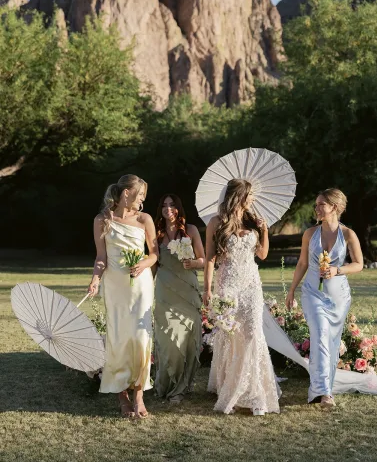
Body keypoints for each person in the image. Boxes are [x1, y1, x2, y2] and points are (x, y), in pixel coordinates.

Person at [204, 178, 280, 416]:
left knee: (252, 333)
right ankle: (230, 386)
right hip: (227, 284)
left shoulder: (253, 221)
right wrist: (207, 289)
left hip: (251, 286)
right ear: (239, 196)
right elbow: (209, 258)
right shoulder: (216, 223)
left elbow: (263, 254)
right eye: (250, 195)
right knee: (232, 336)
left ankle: (253, 390)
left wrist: (265, 230)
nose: (253, 199)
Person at [88, 174, 158, 419]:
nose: (142, 201)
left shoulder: (144, 219)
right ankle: (122, 396)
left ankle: (139, 394)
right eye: (140, 195)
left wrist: (143, 265)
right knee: (118, 337)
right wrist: (95, 278)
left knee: (140, 336)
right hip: (115, 286)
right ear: (126, 193)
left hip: (140, 285)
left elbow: (154, 254)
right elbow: (100, 258)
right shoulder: (102, 220)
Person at [286, 188, 363, 408]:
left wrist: (337, 270)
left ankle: (325, 386)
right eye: (316, 204)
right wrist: (292, 290)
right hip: (312, 293)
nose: (317, 208)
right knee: (319, 335)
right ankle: (322, 393)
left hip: (338, 296)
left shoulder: (348, 234)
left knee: (331, 341)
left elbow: (359, 264)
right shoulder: (310, 234)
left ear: (334, 207)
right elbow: (302, 263)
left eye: (321, 204)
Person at [154, 194, 205, 403]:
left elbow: (203, 259)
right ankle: (167, 384)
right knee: (168, 341)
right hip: (165, 290)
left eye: (172, 205)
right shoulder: (156, 233)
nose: (169, 209)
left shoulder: (190, 230)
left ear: (178, 208)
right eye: (165, 205)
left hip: (187, 291)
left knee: (187, 341)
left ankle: (181, 388)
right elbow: (153, 264)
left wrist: (192, 263)